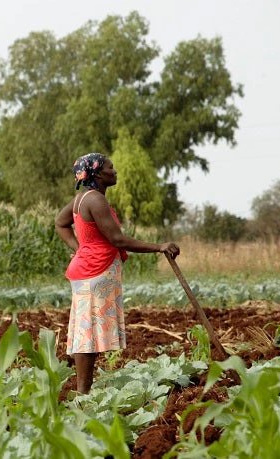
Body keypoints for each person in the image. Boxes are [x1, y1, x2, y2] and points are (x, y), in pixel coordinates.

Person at [54, 152, 180, 394]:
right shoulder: (95, 200)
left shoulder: (82, 198)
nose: (115, 171)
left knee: (86, 330)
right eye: (110, 167)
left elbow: (60, 222)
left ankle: (84, 389)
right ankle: (83, 391)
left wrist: (81, 248)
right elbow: (117, 239)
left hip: (90, 268)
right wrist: (159, 247)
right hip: (95, 270)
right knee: (87, 333)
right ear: (98, 173)